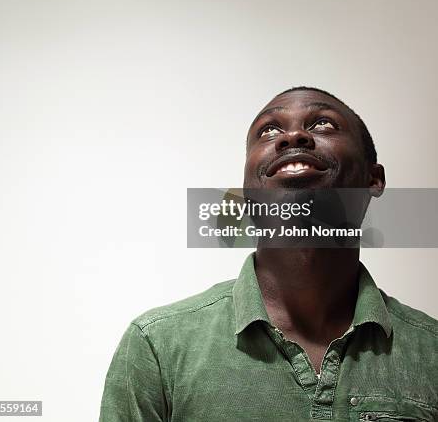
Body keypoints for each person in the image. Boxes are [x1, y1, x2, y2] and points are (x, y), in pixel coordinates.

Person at [99, 86, 438, 421]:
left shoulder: (431, 351)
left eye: (323, 124)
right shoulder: (157, 346)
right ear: (248, 189)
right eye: (270, 130)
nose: (293, 137)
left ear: (373, 179)